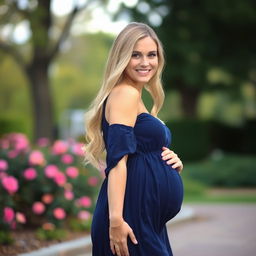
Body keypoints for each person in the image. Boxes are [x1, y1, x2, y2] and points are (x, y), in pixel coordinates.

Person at [83, 22, 184, 256]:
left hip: (144, 216)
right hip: (131, 213)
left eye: (152, 54)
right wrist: (116, 220)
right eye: (135, 55)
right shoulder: (125, 93)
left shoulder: (134, 94)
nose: (145, 62)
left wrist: (170, 161)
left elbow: (141, 149)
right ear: (122, 57)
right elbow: (118, 161)